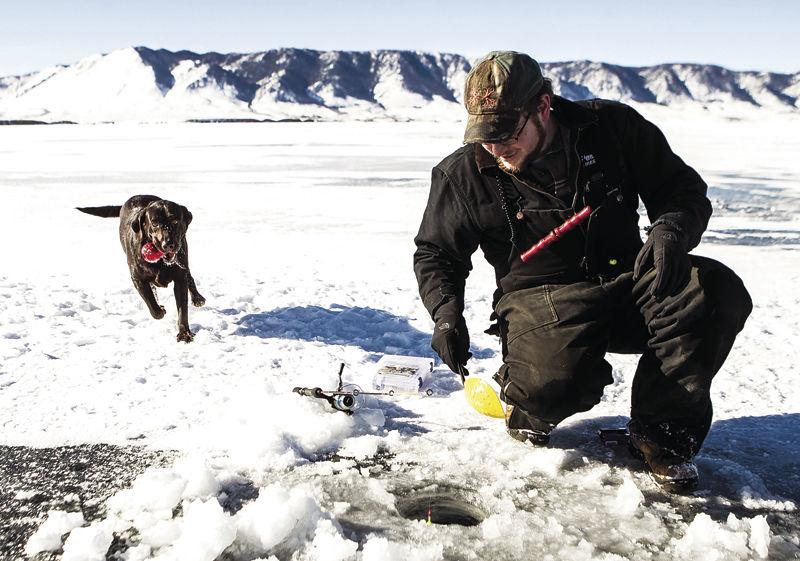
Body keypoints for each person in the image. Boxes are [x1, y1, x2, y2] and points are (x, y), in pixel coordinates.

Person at [413, 51, 752, 492]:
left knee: (713, 292)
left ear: (543, 105)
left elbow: (680, 189)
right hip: (540, 300)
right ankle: (526, 400)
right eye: (485, 135)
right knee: (556, 383)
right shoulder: (463, 174)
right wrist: (445, 312)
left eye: (507, 132)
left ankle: (663, 434)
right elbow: (437, 252)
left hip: (629, 281)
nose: (496, 148)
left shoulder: (613, 130)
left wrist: (671, 230)